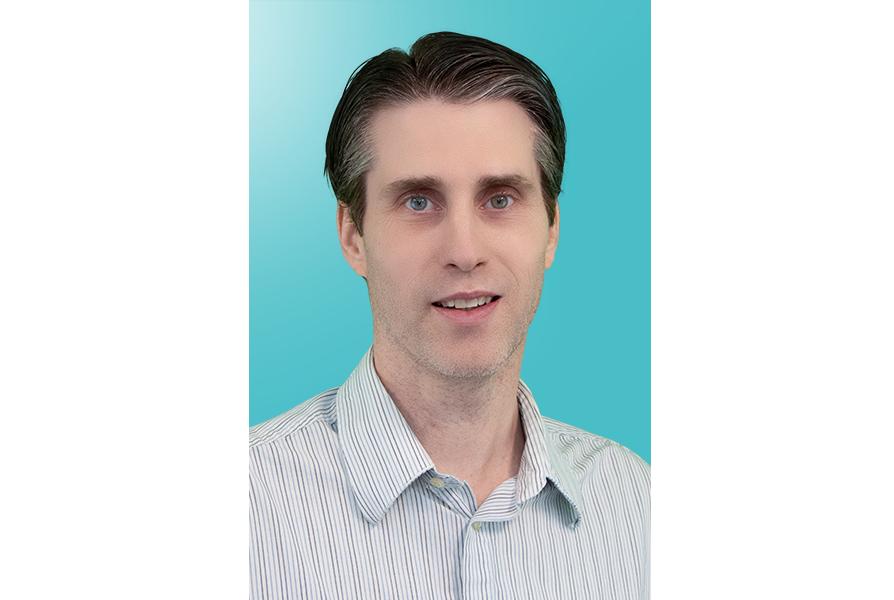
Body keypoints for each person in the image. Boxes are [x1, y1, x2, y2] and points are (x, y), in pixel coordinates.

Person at [250, 31, 649, 599]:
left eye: (500, 199)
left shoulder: (635, 503)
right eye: (418, 201)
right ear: (353, 235)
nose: (465, 250)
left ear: (551, 229)